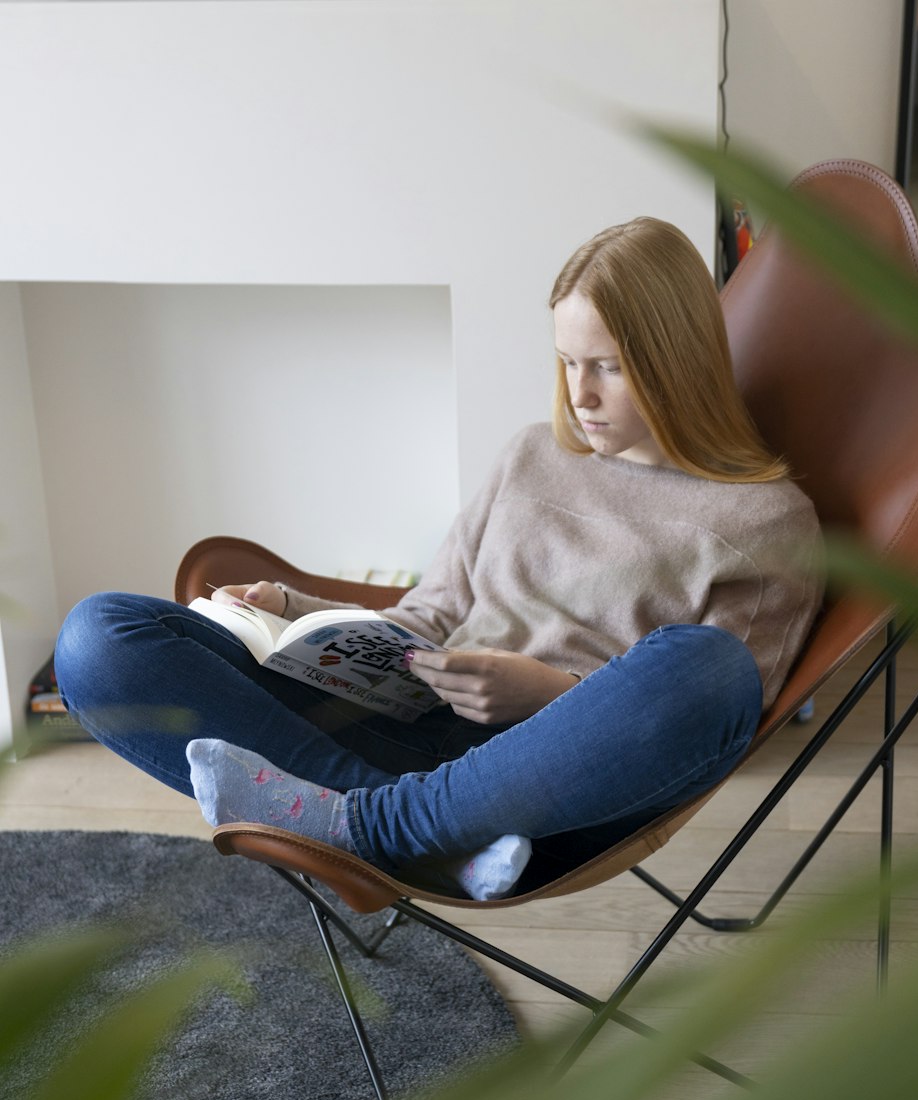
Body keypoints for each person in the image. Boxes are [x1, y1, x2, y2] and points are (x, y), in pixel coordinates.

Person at [55, 217, 822, 901]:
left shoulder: (765, 519)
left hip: (549, 799)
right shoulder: (530, 456)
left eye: (609, 366)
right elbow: (430, 616)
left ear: (678, 359)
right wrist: (294, 614)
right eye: (566, 363)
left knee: (710, 667)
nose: (580, 395)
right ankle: (401, 829)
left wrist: (547, 693)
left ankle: (381, 826)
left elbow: (717, 727)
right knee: (100, 638)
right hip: (409, 733)